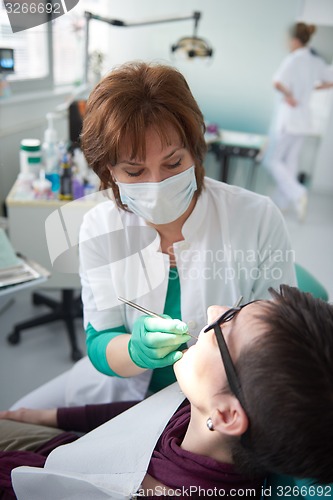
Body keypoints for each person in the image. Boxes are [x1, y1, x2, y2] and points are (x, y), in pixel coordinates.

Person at [10, 61, 296, 411]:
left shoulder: (257, 218)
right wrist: (135, 350)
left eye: (174, 164)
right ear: (108, 171)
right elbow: (100, 341)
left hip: (217, 403)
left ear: (195, 149)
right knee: (14, 421)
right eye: (134, 170)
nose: (157, 184)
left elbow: (278, 339)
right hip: (119, 393)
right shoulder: (100, 227)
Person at [1, 285, 333, 499]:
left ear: (228, 414)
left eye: (227, 324)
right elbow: (136, 419)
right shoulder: (207, 413)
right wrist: (45, 417)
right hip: (68, 450)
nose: (214, 310)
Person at [269, 22, 333, 221]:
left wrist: (289, 94)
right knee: (291, 161)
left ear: (295, 40)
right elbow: (330, 81)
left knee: (272, 160)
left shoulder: (294, 59)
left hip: (290, 115)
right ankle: (284, 203)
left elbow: (277, 82)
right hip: (305, 118)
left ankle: (297, 192)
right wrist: (311, 90)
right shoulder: (316, 61)